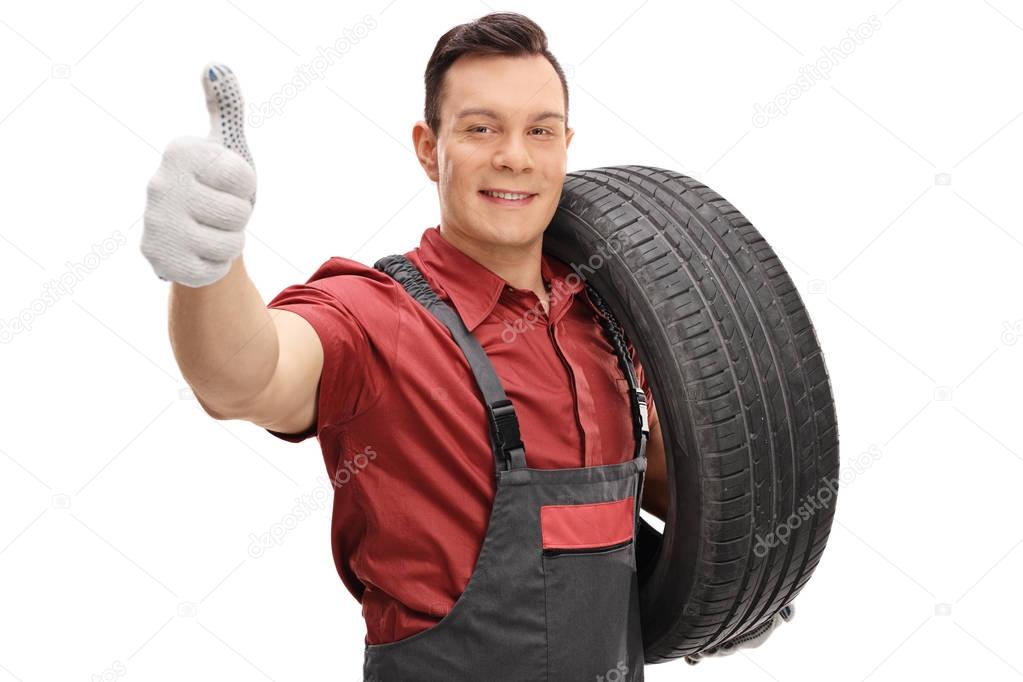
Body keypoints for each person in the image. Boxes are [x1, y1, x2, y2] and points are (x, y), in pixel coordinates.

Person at [141, 11, 781, 679]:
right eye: (481, 128)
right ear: (428, 148)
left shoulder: (612, 321)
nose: (514, 156)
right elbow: (246, 375)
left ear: (565, 145)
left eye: (539, 130)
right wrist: (207, 269)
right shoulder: (374, 316)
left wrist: (733, 581)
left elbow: (678, 489)